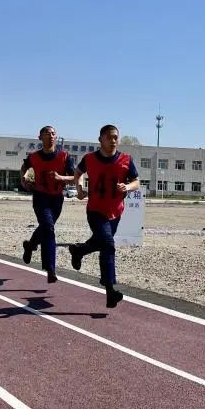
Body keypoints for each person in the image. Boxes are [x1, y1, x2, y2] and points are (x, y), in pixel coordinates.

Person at [53, 124, 139, 308]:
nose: (113, 140)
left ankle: (79, 250)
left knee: (102, 245)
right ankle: (110, 290)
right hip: (95, 210)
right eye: (109, 137)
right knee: (107, 244)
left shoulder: (126, 159)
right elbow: (77, 172)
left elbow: (136, 181)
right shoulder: (90, 158)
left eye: (116, 137)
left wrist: (127, 187)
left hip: (116, 212)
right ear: (100, 139)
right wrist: (79, 188)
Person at [20, 126, 74, 283]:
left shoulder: (65, 156)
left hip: (57, 199)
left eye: (53, 134)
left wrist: (60, 178)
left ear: (56, 137)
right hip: (40, 196)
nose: (51, 136)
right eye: (47, 134)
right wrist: (24, 179)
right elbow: (24, 167)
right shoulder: (34, 157)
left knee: (45, 227)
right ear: (40, 137)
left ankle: (30, 245)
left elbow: (73, 177)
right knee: (49, 228)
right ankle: (50, 268)